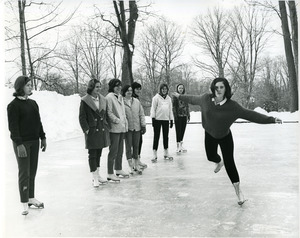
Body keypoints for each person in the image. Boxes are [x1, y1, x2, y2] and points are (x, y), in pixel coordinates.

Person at [173, 77, 282, 205]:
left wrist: (271, 119)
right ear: (213, 88)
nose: (218, 90)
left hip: (225, 136)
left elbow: (251, 115)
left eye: (221, 87)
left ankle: (238, 192)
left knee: (230, 164)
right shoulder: (205, 99)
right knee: (210, 156)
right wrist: (179, 96)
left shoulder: (233, 107)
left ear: (226, 89)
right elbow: (191, 98)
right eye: (216, 87)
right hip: (209, 134)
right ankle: (219, 162)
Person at [7, 76, 47, 215]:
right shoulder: (13, 106)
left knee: (32, 171)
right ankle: (24, 202)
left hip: (34, 141)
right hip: (22, 143)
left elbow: (38, 122)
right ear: (20, 87)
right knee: (24, 172)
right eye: (28, 85)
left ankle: (30, 197)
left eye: (31, 85)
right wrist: (19, 144)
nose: (31, 87)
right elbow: (13, 128)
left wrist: (43, 137)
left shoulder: (33, 103)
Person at [79, 79, 110, 187]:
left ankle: (97, 174)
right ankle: (94, 177)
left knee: (99, 154)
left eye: (100, 87)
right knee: (92, 154)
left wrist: (106, 126)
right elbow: (82, 117)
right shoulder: (85, 100)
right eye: (96, 87)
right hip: (92, 130)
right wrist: (87, 129)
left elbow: (105, 115)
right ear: (91, 87)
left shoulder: (103, 99)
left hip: (101, 129)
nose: (99, 89)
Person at [106, 79, 129, 181]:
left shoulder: (120, 97)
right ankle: (110, 172)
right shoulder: (109, 97)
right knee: (113, 151)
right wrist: (117, 120)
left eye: (120, 86)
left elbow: (123, 112)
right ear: (112, 87)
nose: (119, 88)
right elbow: (109, 112)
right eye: (116, 86)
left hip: (121, 128)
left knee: (120, 150)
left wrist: (124, 122)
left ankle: (118, 168)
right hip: (114, 128)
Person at [122, 85, 146, 175]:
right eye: (127, 90)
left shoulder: (136, 101)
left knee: (136, 146)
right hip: (128, 129)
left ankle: (136, 165)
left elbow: (141, 114)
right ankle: (130, 166)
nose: (129, 92)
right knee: (128, 147)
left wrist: (143, 125)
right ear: (124, 92)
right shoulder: (121, 102)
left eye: (131, 90)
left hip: (137, 127)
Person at [150, 83, 174, 162]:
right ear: (160, 90)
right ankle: (154, 153)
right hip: (157, 119)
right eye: (163, 89)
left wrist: (171, 119)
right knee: (156, 136)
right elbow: (153, 108)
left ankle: (166, 152)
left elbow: (170, 110)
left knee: (165, 136)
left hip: (165, 120)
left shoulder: (169, 99)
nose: (164, 90)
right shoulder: (156, 98)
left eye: (165, 89)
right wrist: (153, 118)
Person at [131, 82, 147, 169]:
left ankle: (138, 159)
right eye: (137, 89)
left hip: (138, 124)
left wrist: (142, 124)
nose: (139, 90)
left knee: (140, 142)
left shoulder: (137, 99)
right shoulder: (131, 99)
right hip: (133, 126)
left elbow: (141, 113)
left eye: (140, 89)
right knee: (134, 144)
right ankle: (134, 162)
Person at [172, 84, 190, 153]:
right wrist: (175, 115)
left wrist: (188, 114)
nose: (181, 89)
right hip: (178, 116)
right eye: (179, 88)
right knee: (178, 131)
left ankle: (181, 144)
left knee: (183, 130)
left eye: (182, 88)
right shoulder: (175, 97)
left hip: (184, 115)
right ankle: (178, 146)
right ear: (177, 89)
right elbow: (173, 107)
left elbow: (187, 106)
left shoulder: (185, 97)